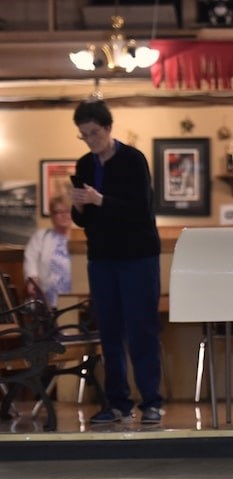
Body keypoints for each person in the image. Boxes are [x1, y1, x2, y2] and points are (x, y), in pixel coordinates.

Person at [70, 98, 163, 425]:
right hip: (102, 258)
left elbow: (140, 210)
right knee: (109, 332)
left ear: (108, 128)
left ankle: (152, 401)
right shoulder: (84, 165)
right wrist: (80, 207)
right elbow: (81, 221)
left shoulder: (133, 160)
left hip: (138, 257)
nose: (90, 141)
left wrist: (100, 200)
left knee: (142, 330)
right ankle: (118, 402)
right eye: (83, 135)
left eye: (94, 133)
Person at [23, 194, 73, 309]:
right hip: (46, 297)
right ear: (52, 215)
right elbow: (30, 258)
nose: (64, 215)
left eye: (67, 211)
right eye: (58, 212)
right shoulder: (41, 236)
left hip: (75, 296)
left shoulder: (79, 237)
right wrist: (32, 279)